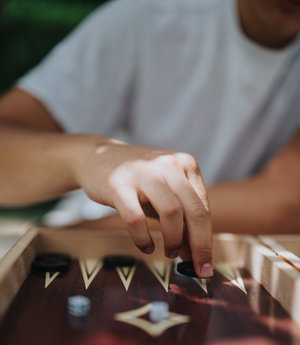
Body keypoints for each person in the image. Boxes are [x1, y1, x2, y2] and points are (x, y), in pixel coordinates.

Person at [0, 0, 300, 279]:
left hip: (103, 240)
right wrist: (89, 157)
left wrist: (70, 237)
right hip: (94, 248)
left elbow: (285, 204)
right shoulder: (148, 15)